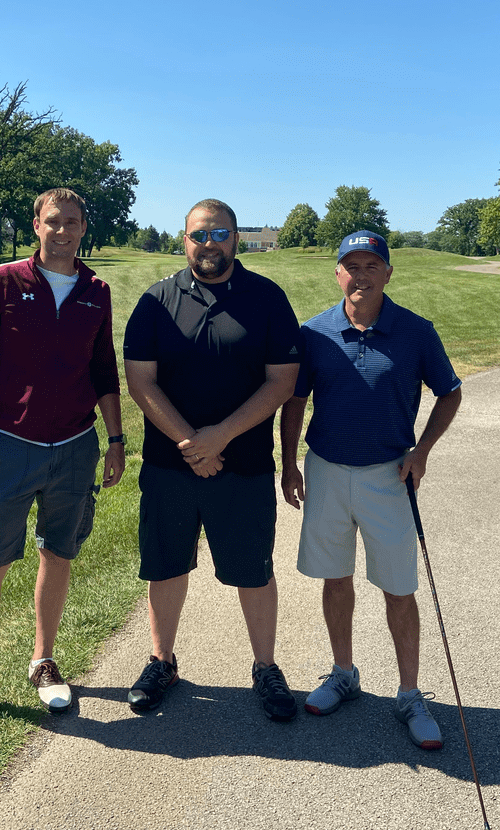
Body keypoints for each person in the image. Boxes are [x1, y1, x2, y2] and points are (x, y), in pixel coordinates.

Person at [0, 188, 126, 738]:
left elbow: (103, 369)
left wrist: (116, 439)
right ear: (36, 225)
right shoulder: (3, 281)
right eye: (54, 221)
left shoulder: (97, 291)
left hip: (76, 446)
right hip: (13, 445)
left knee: (58, 553)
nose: (63, 231)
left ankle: (43, 660)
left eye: (72, 222)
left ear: (83, 228)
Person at [280, 230, 462, 748]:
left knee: (399, 587)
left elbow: (449, 393)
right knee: (335, 577)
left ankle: (410, 694)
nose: (361, 276)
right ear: (337, 273)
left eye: (371, 266)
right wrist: (288, 464)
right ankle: (344, 673)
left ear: (388, 272)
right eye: (351, 266)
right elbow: (294, 402)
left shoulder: (416, 331)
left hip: (390, 474)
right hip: (326, 469)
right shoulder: (314, 332)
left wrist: (422, 451)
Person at [122, 198, 302, 720]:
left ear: (236, 238)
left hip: (243, 464)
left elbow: (282, 381)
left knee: (253, 570)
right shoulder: (156, 301)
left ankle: (265, 667)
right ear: (184, 241)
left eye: (219, 234)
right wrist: (191, 443)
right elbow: (140, 381)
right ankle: (162, 661)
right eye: (199, 235)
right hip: (169, 463)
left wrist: (221, 436)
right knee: (166, 565)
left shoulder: (267, 298)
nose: (209, 244)